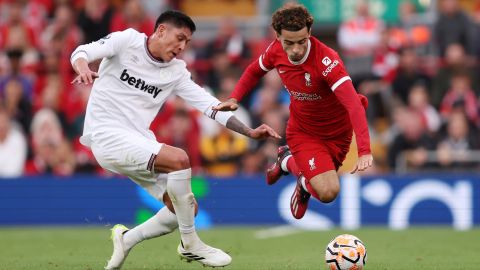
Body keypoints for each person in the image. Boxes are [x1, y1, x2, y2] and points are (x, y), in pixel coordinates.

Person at [70, 10, 280, 269]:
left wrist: (249, 132)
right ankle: (190, 244)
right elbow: (82, 51)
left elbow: (212, 107)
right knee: (179, 158)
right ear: (160, 31)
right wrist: (82, 67)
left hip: (137, 141)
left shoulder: (176, 71)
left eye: (187, 42)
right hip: (105, 134)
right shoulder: (128, 40)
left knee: (184, 209)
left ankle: (126, 238)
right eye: (179, 38)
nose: (182, 46)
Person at [214, 4, 373, 219]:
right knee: (328, 192)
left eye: (301, 41)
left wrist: (364, 150)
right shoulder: (275, 51)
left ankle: (288, 163)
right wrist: (235, 97)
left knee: (325, 190)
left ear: (309, 33)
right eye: (289, 43)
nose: (296, 49)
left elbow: (353, 104)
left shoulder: (327, 61)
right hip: (304, 132)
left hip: (337, 133)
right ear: (278, 36)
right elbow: (254, 70)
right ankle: (291, 162)